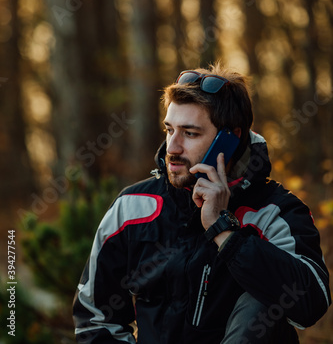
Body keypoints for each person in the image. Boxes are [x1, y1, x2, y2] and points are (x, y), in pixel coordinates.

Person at [73, 63, 331, 343]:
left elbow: (311, 305)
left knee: (261, 299)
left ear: (229, 140)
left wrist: (224, 230)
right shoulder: (132, 207)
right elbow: (94, 319)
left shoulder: (276, 213)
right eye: (169, 130)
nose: (172, 147)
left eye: (190, 133)